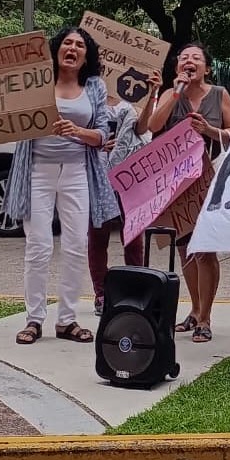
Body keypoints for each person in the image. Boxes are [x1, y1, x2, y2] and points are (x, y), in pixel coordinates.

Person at [5, 26, 115, 345]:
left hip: (77, 173)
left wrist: (77, 131)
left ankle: (67, 320)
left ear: (86, 55)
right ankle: (34, 319)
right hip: (36, 171)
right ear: (56, 49)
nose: (72, 48)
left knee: (76, 245)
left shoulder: (93, 86)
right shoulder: (37, 81)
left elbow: (102, 135)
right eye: (67, 42)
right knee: (38, 247)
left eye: (79, 45)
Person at [148, 43, 230, 343]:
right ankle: (195, 310)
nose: (189, 61)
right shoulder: (173, 95)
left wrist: (209, 131)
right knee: (185, 248)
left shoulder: (219, 94)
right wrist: (175, 93)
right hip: (178, 183)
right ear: (177, 68)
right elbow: (153, 124)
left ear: (206, 68)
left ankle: (206, 318)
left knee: (205, 249)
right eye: (184, 58)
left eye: (196, 58)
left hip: (209, 180)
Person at [87, 71, 161, 315]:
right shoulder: (89, 95)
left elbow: (142, 129)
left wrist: (151, 96)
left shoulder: (132, 99)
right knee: (98, 236)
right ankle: (101, 294)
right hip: (97, 173)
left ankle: (135, 289)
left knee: (133, 235)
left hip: (130, 175)